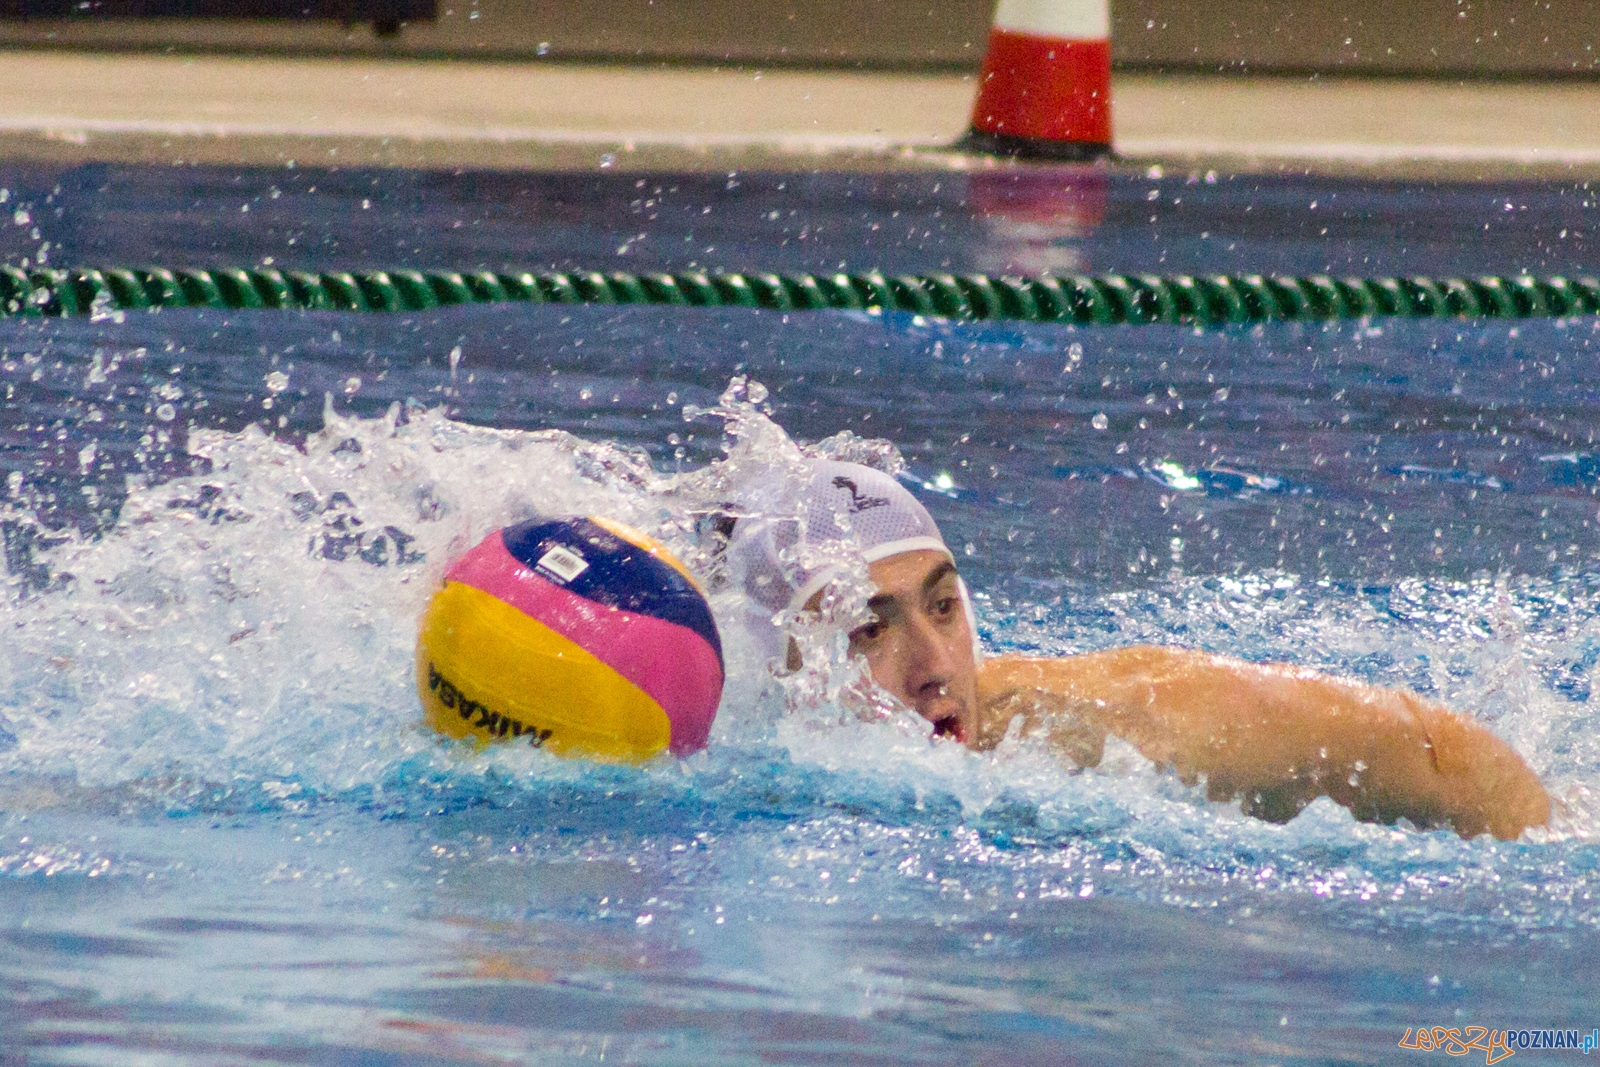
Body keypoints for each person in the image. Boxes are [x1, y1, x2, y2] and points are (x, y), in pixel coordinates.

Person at [721, 458, 1551, 841]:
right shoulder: (709, 768)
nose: (938, 665)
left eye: (944, 605)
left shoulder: (1101, 734)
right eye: (870, 629)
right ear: (784, 664)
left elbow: (1441, 754)